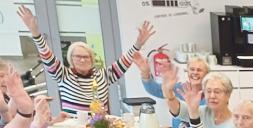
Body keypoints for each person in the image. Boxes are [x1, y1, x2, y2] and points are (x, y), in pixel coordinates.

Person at [18, 6, 154, 114]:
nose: (82, 60)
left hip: (100, 127)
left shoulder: (103, 76)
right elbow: (46, 55)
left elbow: (125, 61)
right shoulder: (63, 74)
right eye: (78, 57)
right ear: (71, 59)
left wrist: (138, 44)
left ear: (91, 59)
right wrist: (35, 33)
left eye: (86, 56)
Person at [131, 52, 209, 128]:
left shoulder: (210, 97)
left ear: (206, 74)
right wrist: (145, 73)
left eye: (199, 70)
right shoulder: (180, 88)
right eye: (192, 69)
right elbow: (154, 89)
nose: (195, 72)